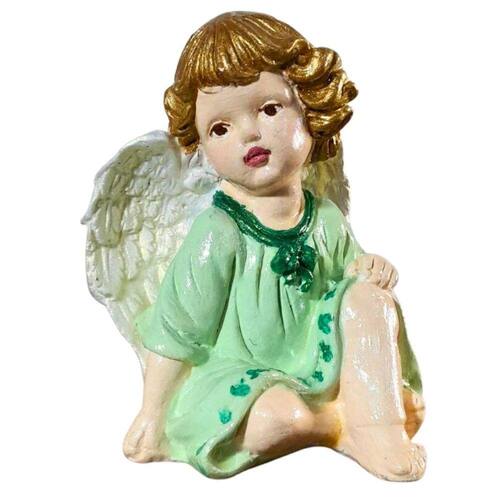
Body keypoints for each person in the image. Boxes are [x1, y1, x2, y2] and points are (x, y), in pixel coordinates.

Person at [125, 11, 426, 481]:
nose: (249, 133)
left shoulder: (325, 219)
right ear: (199, 144)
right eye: (220, 128)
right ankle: (340, 422)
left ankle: (376, 426)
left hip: (322, 363)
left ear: (310, 108)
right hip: (241, 376)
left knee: (373, 299)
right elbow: (178, 331)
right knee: (279, 418)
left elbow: (351, 292)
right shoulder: (218, 232)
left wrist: (369, 270)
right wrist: (151, 414)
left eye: (268, 109)